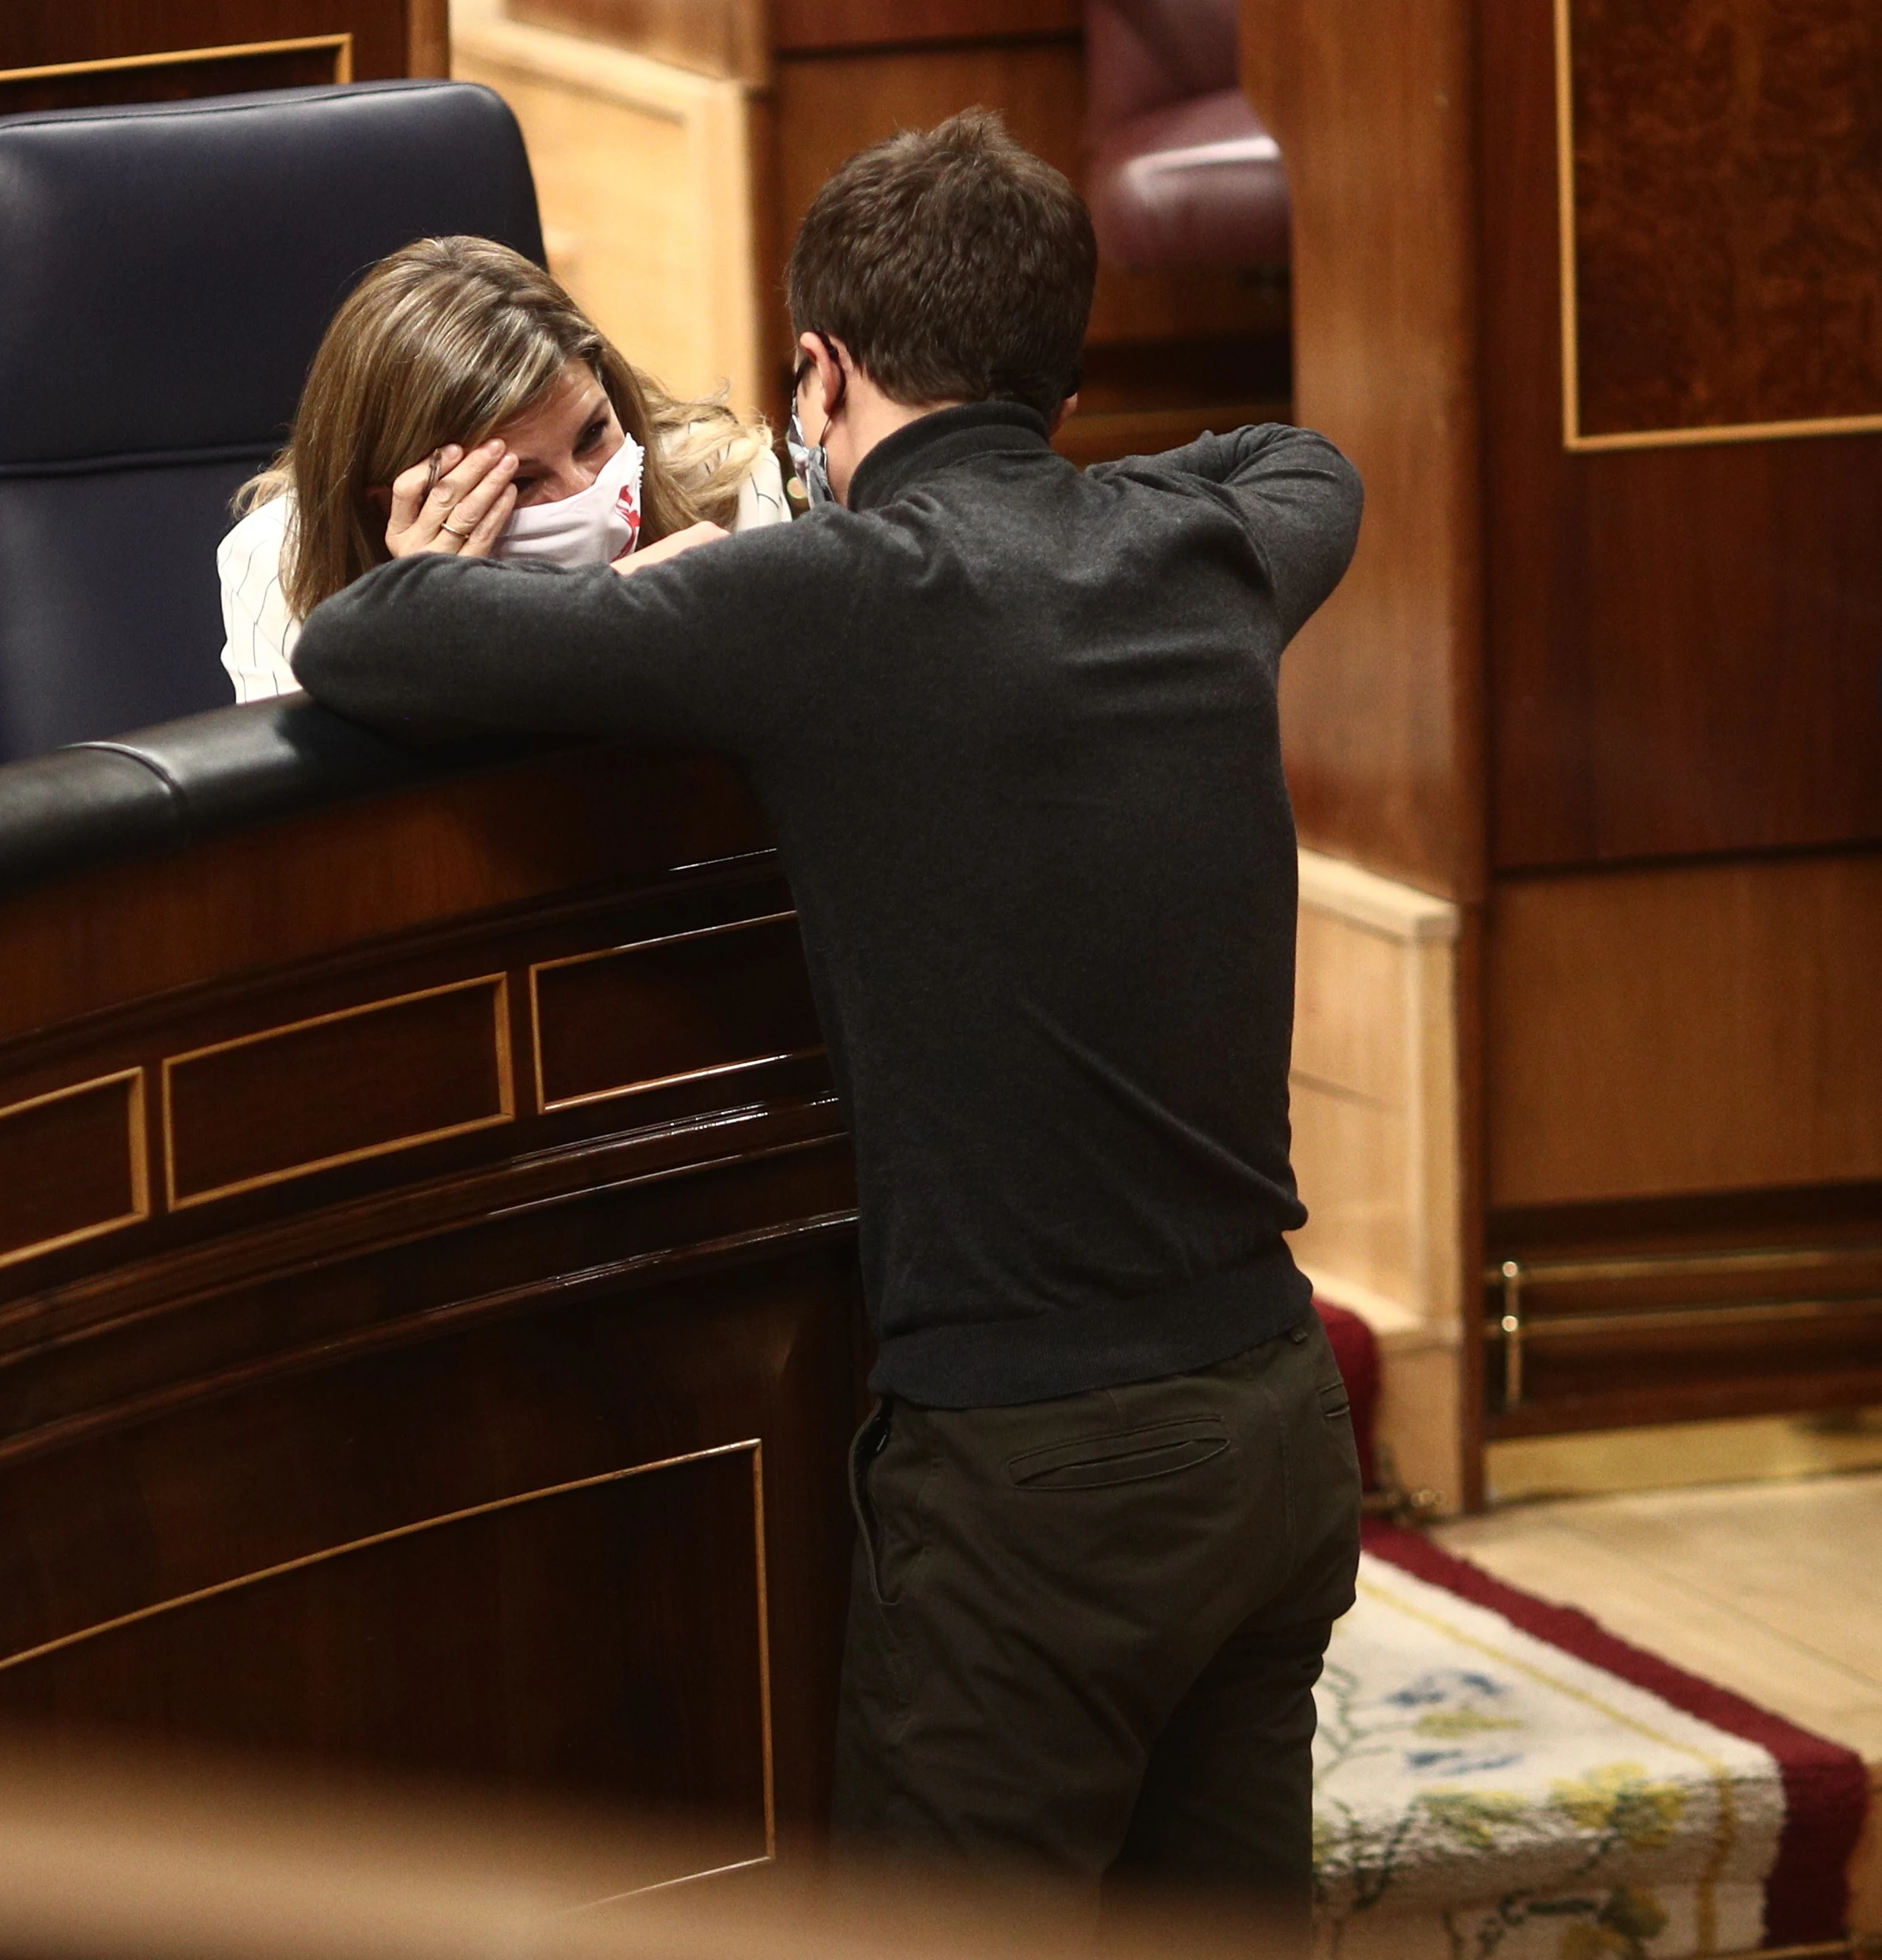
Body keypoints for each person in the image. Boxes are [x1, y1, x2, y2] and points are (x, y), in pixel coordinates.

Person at [291, 110, 1367, 1926]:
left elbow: (367, 645)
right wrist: (1081, 488)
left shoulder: (820, 603)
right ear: (1060, 370)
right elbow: (1303, 456)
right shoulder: (1208, 553)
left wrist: (425, 556)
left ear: (817, 369)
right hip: (1276, 1424)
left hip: (1041, 1479)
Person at [216, 235, 791, 703]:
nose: (587, 493)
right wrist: (424, 624)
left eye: (593, 435)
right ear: (394, 503)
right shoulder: (276, 562)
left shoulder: (729, 485)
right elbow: (332, 835)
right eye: (519, 480)